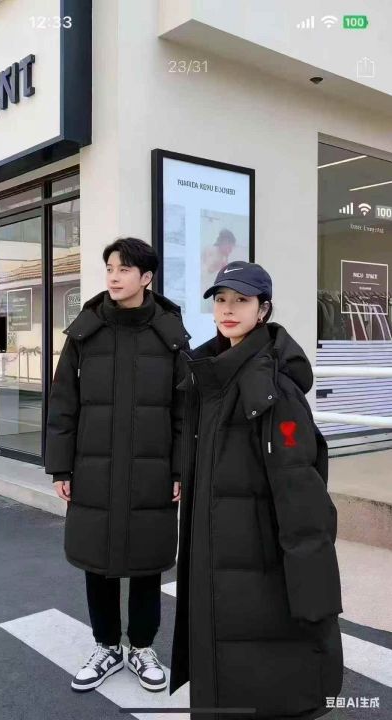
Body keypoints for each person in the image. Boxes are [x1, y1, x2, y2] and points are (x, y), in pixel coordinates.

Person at [170, 260, 343, 720]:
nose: (228, 310)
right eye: (221, 300)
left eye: (241, 301)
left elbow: (300, 488)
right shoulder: (212, 372)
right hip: (216, 547)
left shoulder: (272, 388)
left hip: (254, 556)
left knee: (263, 666)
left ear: (263, 309)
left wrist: (314, 586)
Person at [45, 237, 190, 693]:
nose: (113, 276)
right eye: (110, 268)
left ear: (146, 278)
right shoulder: (85, 332)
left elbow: (184, 412)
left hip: (152, 471)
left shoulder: (170, 335)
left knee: (147, 561)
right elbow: (63, 403)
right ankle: (106, 645)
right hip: (93, 468)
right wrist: (61, 467)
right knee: (98, 560)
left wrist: (180, 469)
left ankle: (142, 647)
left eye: (124, 269)